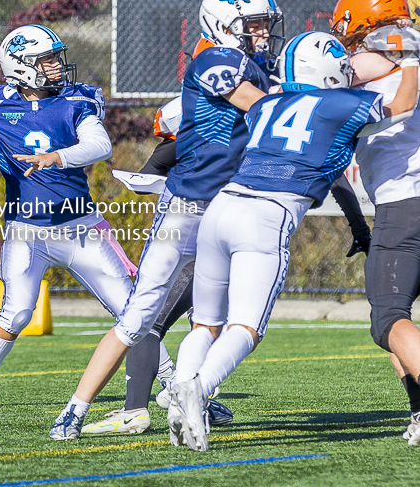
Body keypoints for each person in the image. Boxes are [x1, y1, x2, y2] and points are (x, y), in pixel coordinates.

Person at [49, 0, 285, 440]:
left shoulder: (258, 67)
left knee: (212, 315)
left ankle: (191, 394)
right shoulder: (214, 58)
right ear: (224, 26)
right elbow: (264, 110)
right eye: (253, 24)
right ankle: (75, 409)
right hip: (186, 206)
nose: (262, 33)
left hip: (226, 208)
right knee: (139, 315)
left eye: (264, 24)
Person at [168, 30, 418, 452]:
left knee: (205, 322)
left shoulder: (265, 105)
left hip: (222, 206)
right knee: (245, 327)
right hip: (266, 216)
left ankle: (178, 404)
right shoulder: (340, 103)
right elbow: (402, 106)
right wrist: (411, 61)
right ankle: (198, 388)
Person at [0, 24, 139, 408]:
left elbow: (100, 145)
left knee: (133, 309)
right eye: (48, 60)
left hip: (81, 226)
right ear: (22, 67)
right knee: (18, 311)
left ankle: (172, 384)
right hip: (27, 231)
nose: (58, 66)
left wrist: (57, 157)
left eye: (57, 57)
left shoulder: (76, 99)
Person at [332, 0, 420, 445]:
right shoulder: (412, 55)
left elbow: (318, 82)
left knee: (389, 319)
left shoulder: (365, 62)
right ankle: (418, 414)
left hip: (404, 207)